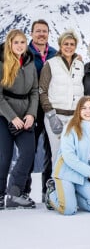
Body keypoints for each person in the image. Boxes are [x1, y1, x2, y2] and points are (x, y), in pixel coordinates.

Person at [45, 96, 90, 215]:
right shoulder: (71, 127)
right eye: (84, 108)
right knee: (69, 210)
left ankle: (71, 197)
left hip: (82, 176)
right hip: (66, 173)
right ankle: (51, 195)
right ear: (78, 110)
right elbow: (69, 157)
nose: (88, 111)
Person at [0, 29, 38, 209]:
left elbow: (34, 91)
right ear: (9, 44)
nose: (20, 46)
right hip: (4, 115)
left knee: (28, 153)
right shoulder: (2, 62)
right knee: (4, 157)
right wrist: (12, 117)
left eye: (23, 42)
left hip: (26, 116)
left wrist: (31, 114)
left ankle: (14, 193)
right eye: (16, 42)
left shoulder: (30, 62)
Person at [39, 30, 84, 167]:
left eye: (72, 44)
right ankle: (57, 184)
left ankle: (70, 185)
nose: (69, 47)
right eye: (66, 44)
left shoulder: (80, 65)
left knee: (74, 153)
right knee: (57, 152)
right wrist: (51, 114)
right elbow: (42, 90)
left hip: (74, 117)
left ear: (75, 46)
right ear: (60, 45)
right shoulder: (50, 64)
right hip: (56, 115)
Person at [26, 19, 57, 204]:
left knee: (51, 151)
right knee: (29, 151)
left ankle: (48, 191)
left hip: (50, 108)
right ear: (31, 33)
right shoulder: (25, 52)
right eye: (38, 31)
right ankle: (24, 191)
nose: (41, 34)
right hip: (30, 109)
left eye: (44, 31)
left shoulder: (54, 54)